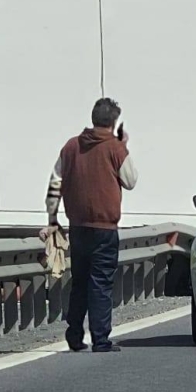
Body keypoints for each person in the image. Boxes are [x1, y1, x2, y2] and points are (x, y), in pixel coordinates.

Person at [44, 98, 138, 353]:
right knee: (101, 283)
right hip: (105, 227)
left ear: (93, 118)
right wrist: (123, 146)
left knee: (80, 282)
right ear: (114, 122)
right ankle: (100, 339)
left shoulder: (71, 146)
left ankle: (74, 335)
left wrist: (52, 218)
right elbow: (131, 181)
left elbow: (55, 183)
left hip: (78, 226)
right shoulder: (115, 148)